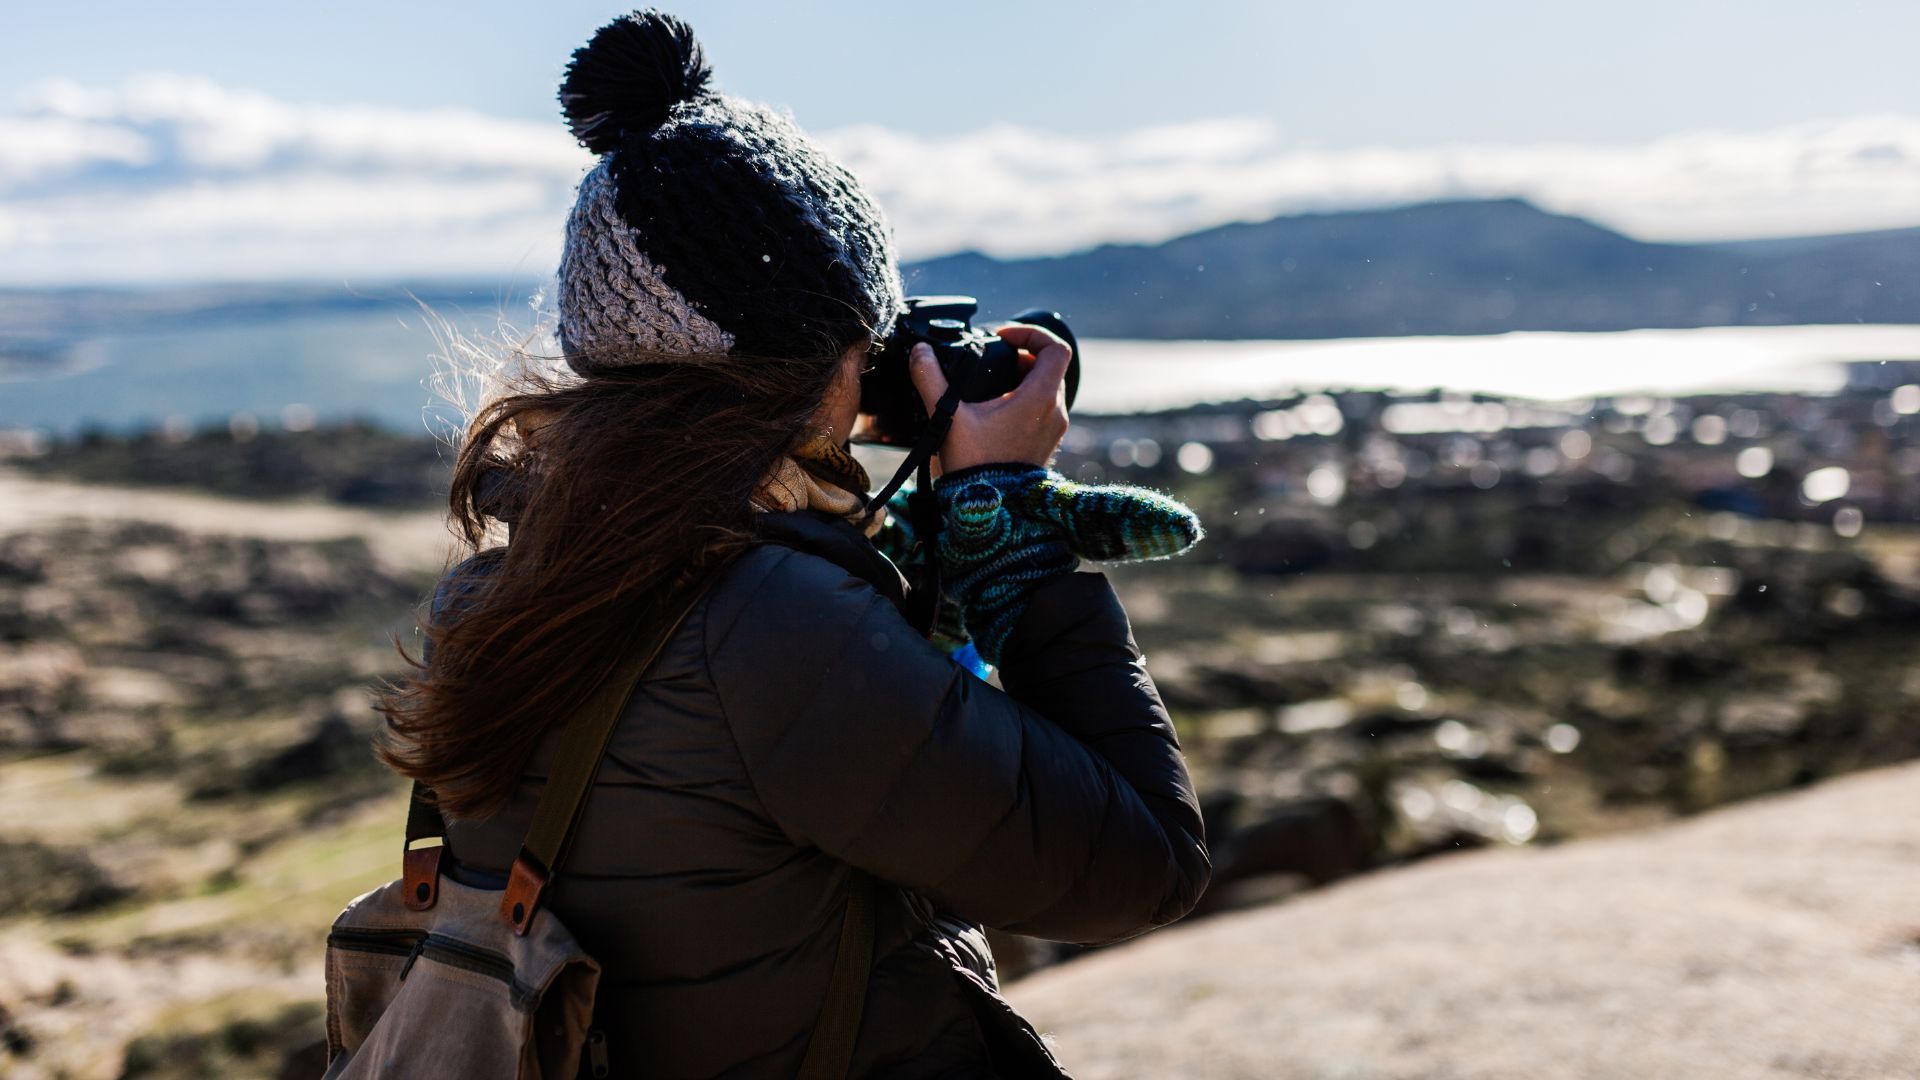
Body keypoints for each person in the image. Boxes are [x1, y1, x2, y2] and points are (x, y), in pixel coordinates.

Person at [374, 9, 1210, 1077]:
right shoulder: (774, 630)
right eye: (868, 343)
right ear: (814, 361)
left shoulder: (510, 586)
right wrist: (1007, 530)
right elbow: (1144, 865)